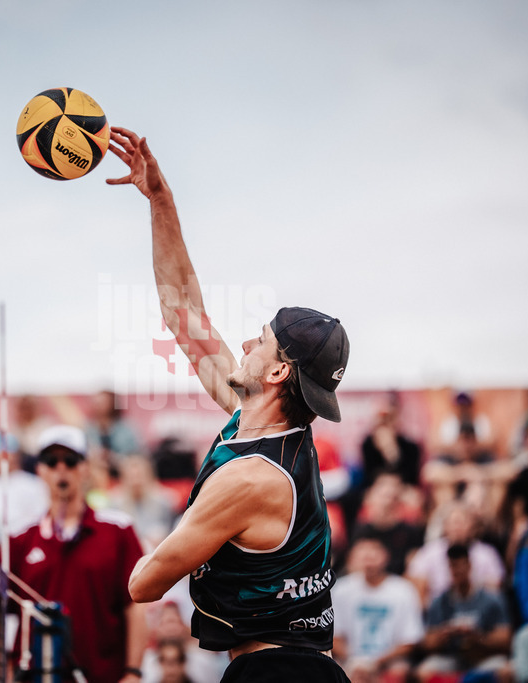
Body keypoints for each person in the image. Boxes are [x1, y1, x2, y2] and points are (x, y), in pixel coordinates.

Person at [108, 127, 351, 682]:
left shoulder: (250, 480)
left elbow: (142, 585)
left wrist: (134, 539)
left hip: (279, 675)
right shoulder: (263, 426)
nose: (243, 343)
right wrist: (161, 201)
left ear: (276, 371)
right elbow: (184, 316)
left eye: (259, 338)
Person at [4, 425, 147, 683]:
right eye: (51, 461)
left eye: (70, 461)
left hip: (104, 676)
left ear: (85, 469)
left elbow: (134, 605)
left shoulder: (118, 530)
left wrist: (133, 672)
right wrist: (6, 669)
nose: (61, 468)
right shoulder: (18, 537)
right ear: (39, 470)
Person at [332, 534, 423, 682]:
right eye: (364, 553)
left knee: (399, 671)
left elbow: (410, 640)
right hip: (350, 659)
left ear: (386, 556)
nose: (369, 559)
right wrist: (355, 660)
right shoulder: (341, 589)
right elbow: (334, 636)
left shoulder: (403, 590)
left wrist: (377, 661)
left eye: (374, 552)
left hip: (390, 661)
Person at [416, 544, 512, 680]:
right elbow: (428, 643)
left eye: (460, 566)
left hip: (483, 656)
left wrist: (477, 637)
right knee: (424, 671)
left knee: (507, 670)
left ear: (469, 565)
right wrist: (445, 634)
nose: (457, 571)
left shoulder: (491, 599)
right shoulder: (440, 602)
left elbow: (505, 638)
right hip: (452, 656)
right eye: (452, 567)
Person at [406, 502, 504, 606]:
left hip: (478, 611)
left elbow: (494, 591)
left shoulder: (486, 554)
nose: (457, 527)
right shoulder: (429, 552)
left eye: (462, 522)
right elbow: (416, 585)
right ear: (445, 526)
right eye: (453, 522)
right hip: (439, 611)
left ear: (472, 525)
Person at [359, 392, 421, 487]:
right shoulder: (368, 444)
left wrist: (391, 451)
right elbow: (369, 476)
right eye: (383, 417)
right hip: (379, 489)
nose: (386, 422)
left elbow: (411, 477)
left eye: (390, 417)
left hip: (402, 488)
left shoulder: (410, 446)